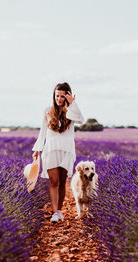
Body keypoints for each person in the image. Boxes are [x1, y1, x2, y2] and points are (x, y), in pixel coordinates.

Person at [32, 82, 84, 223]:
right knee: (53, 181)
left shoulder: (71, 112)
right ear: (53, 96)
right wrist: (37, 149)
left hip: (66, 151)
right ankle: (55, 213)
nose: (59, 99)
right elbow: (42, 132)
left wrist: (73, 104)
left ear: (67, 96)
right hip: (51, 150)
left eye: (62, 96)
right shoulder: (47, 111)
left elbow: (81, 120)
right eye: (57, 96)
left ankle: (60, 211)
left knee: (62, 182)